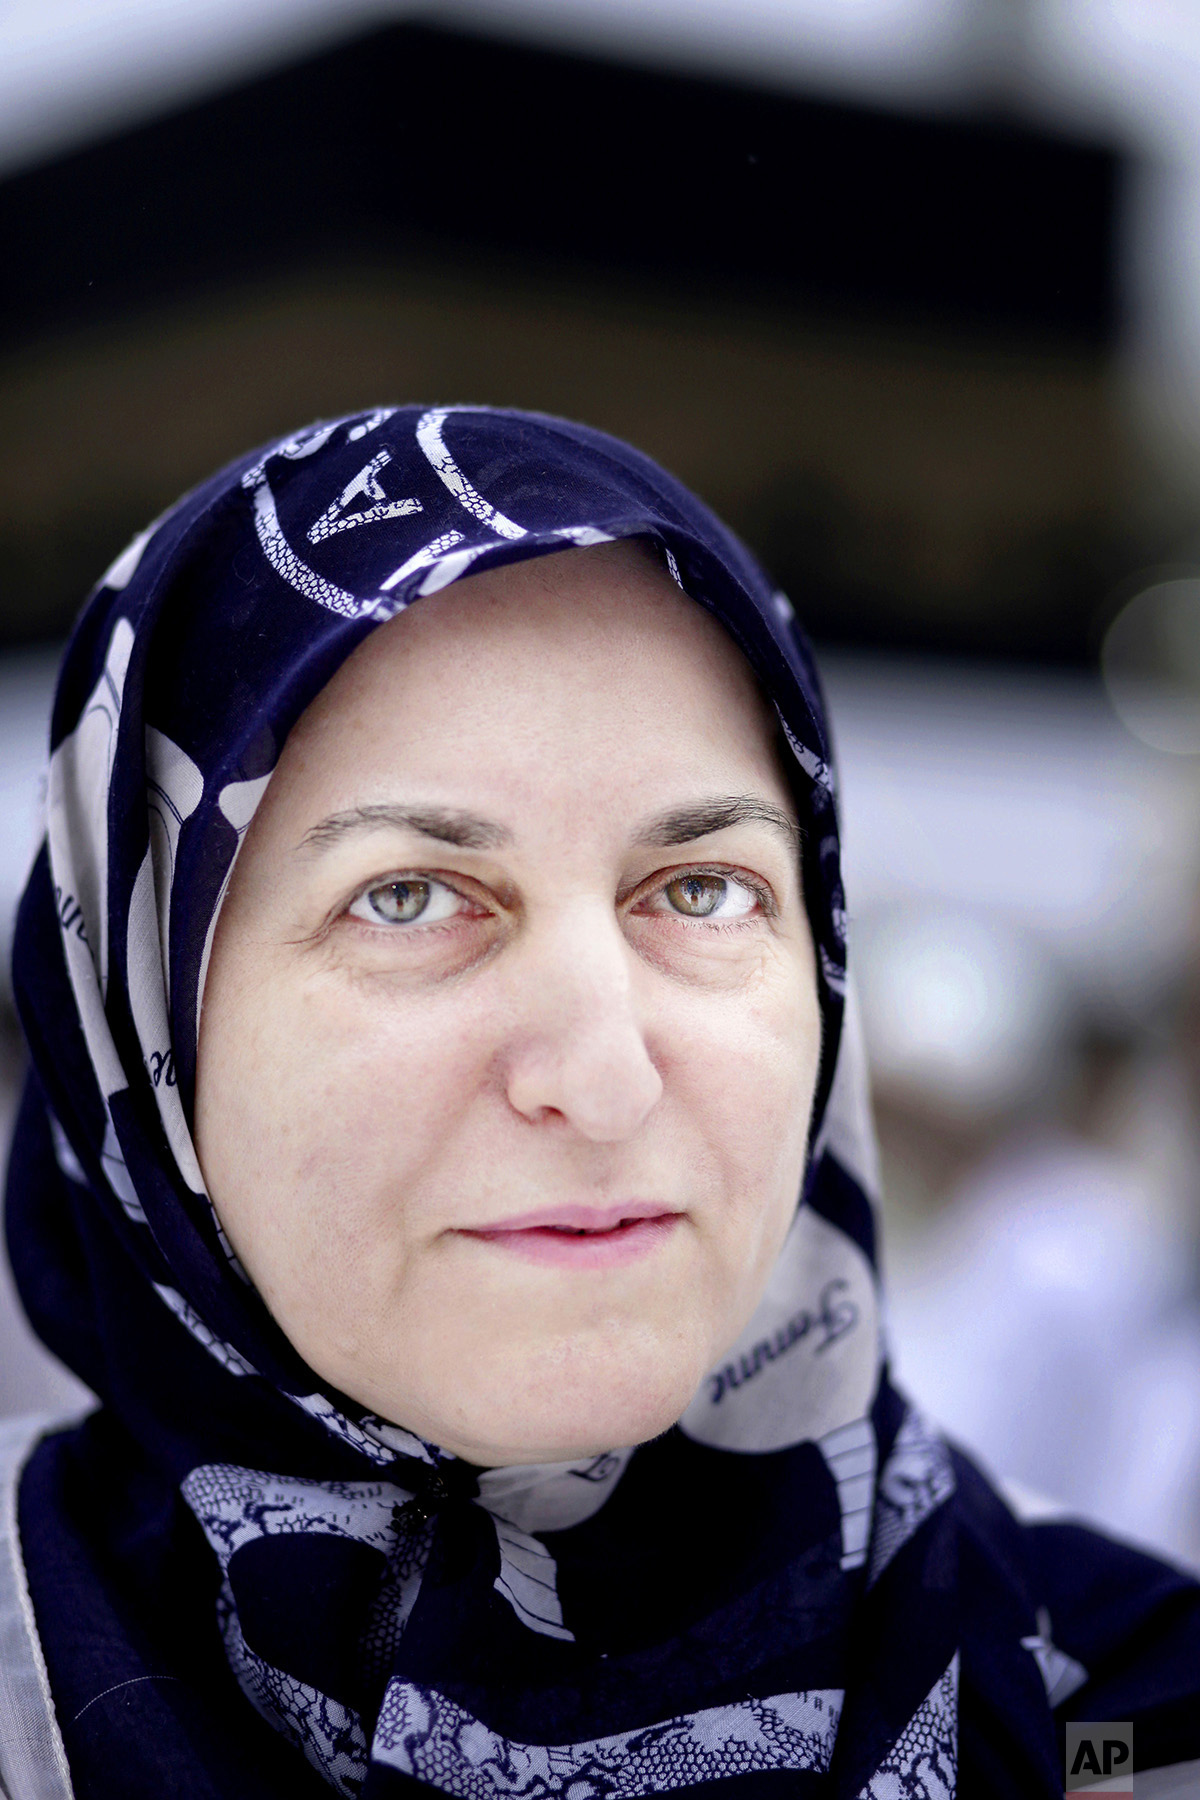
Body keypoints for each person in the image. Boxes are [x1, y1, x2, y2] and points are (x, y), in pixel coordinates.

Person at [0, 405, 1197, 1800]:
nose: (607, 1075)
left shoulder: (1127, 1714)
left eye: (702, 890)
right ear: (139, 1026)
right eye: (410, 898)